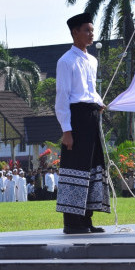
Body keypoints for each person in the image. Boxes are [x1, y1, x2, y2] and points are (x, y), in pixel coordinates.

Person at [55, 12, 110, 234]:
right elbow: (63, 97)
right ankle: (72, 222)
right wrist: (66, 130)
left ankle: (87, 219)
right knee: (76, 167)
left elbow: (90, 90)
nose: (91, 34)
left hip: (91, 117)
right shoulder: (66, 61)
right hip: (76, 118)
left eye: (92, 30)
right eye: (86, 30)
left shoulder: (92, 60)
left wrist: (98, 102)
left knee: (92, 167)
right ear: (74, 32)